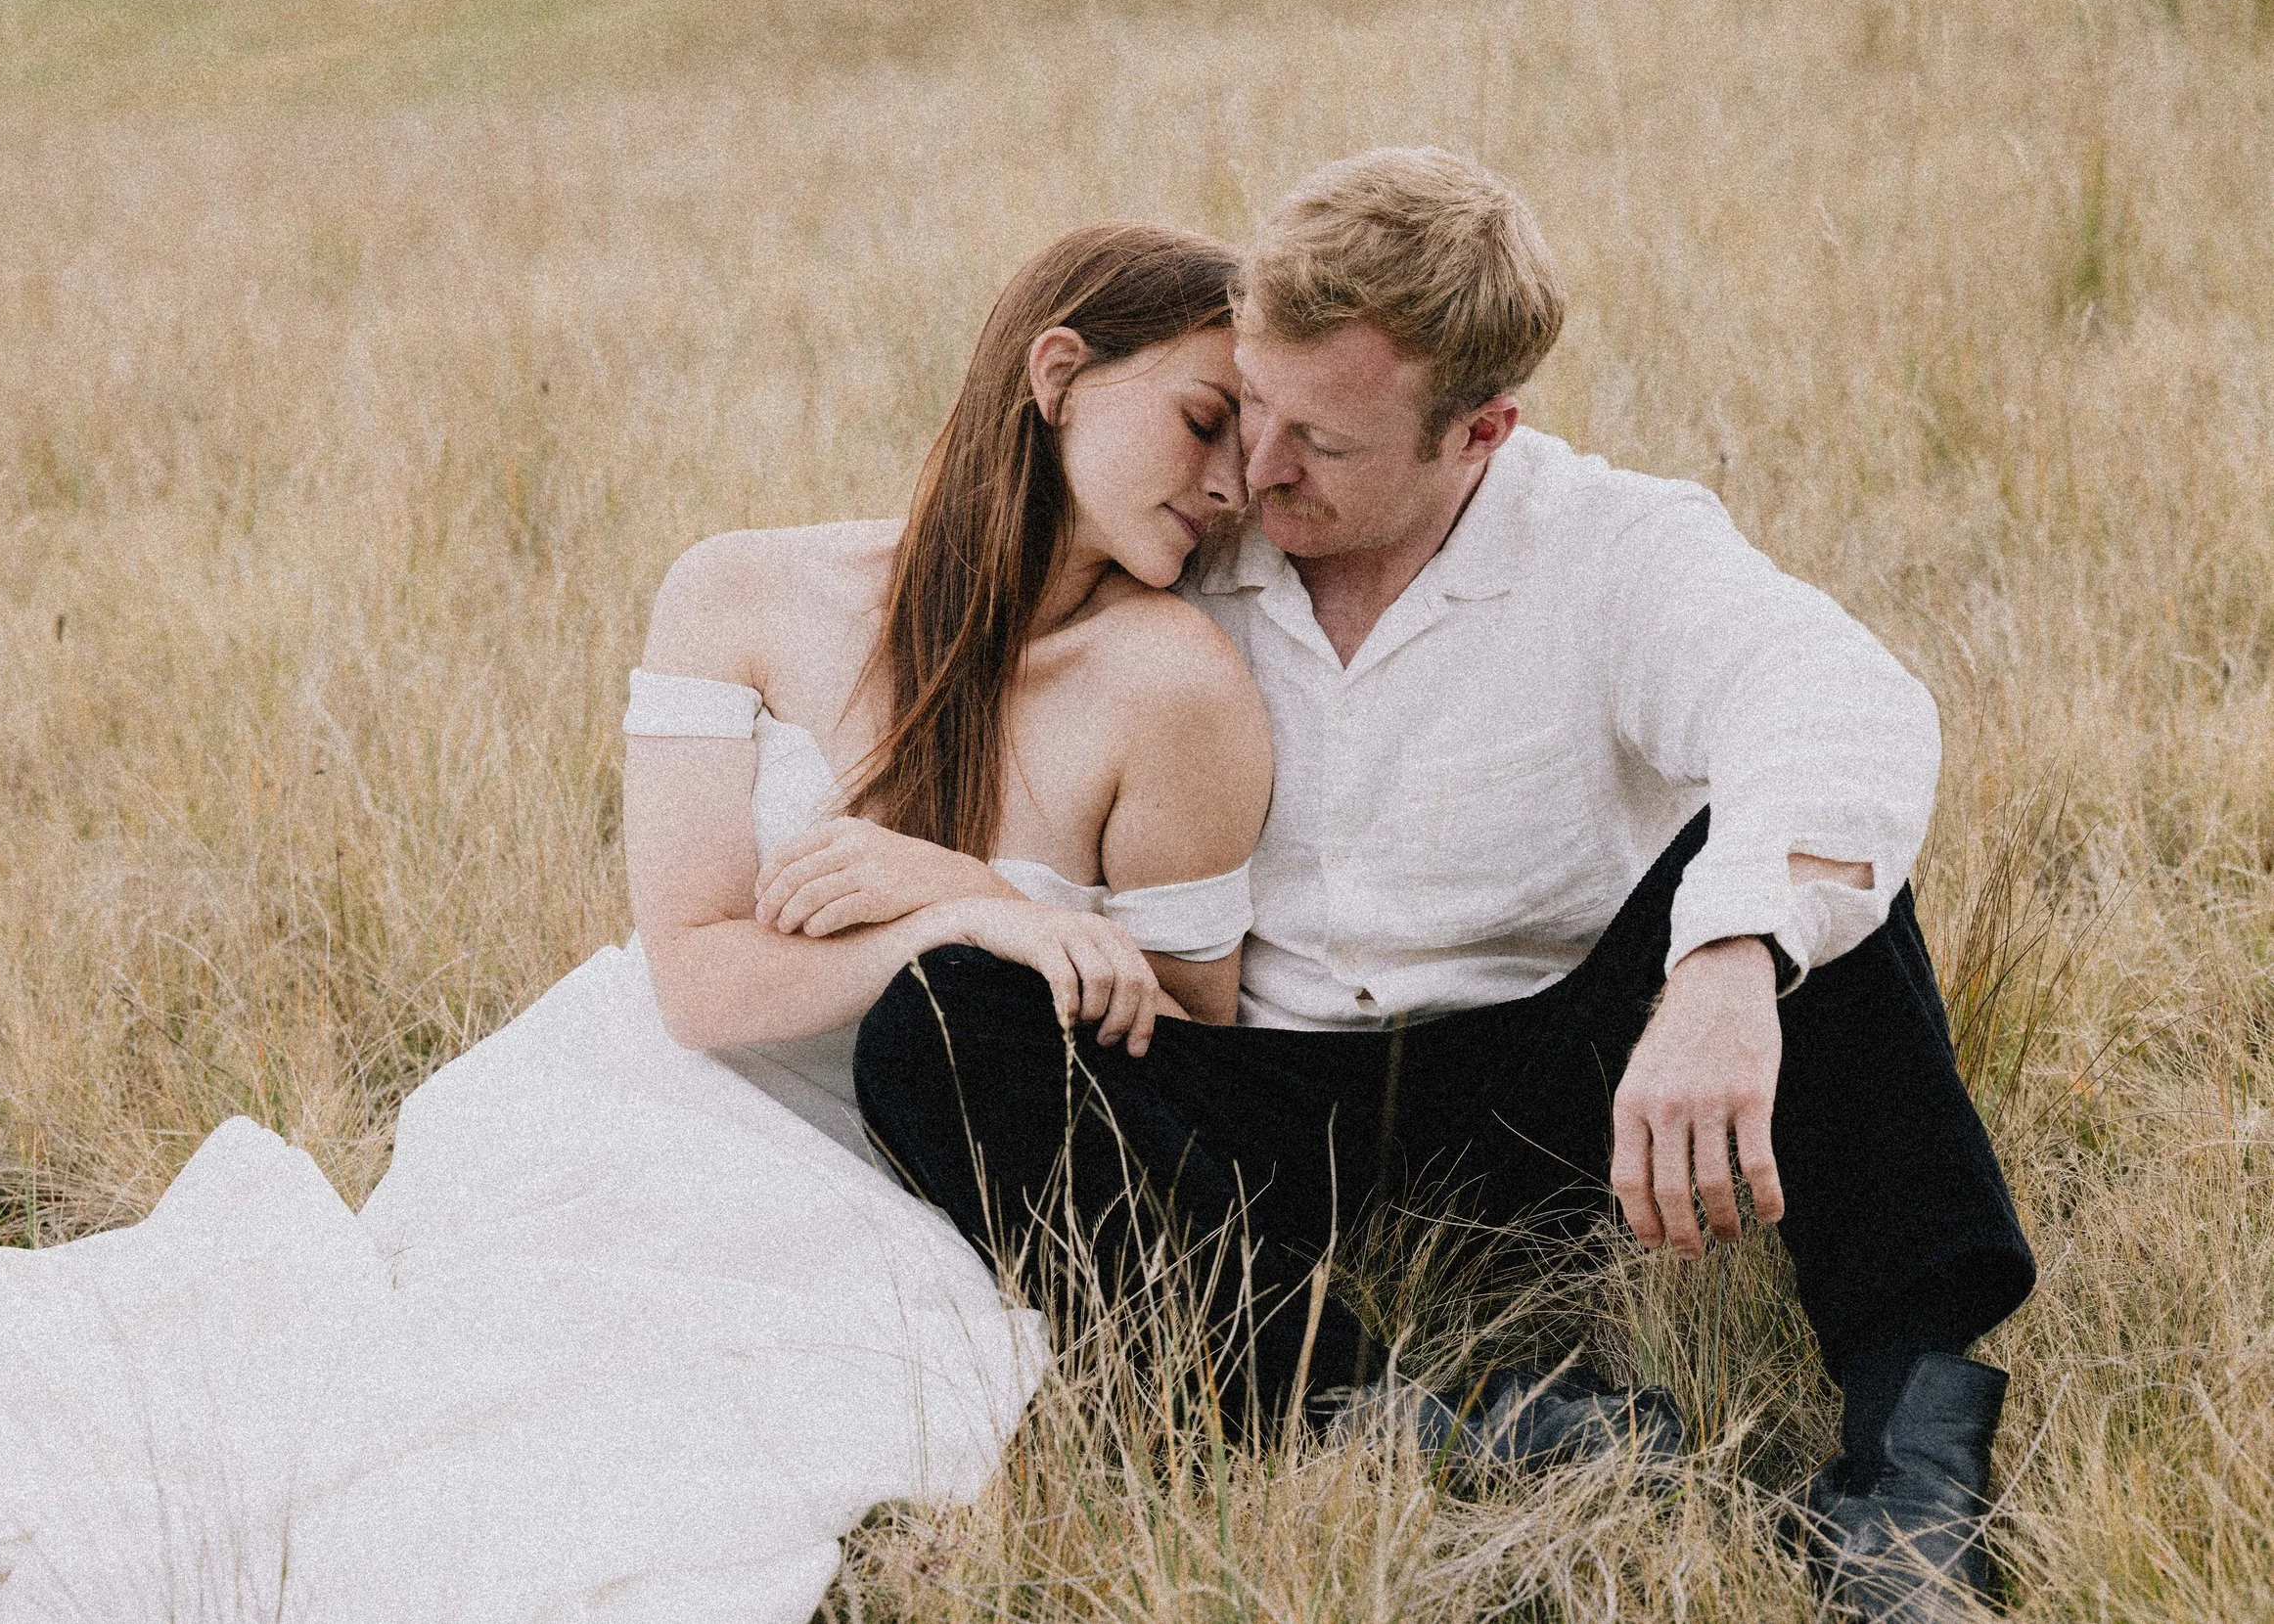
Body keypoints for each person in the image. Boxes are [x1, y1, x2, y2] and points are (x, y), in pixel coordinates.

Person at [0, 222, 1275, 1624]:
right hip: (641, 1098)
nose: (1229, 484)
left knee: (616, 1469)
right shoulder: (741, 591)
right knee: (373, 1406)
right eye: (1205, 420)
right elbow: (698, 977)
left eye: (1253, 452)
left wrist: (961, 897)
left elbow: (1192, 1041)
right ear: (1058, 373)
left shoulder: (1174, 687)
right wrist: (945, 914)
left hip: (898, 1186)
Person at [855, 151, 2038, 1624]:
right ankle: (1361, 1407)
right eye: (1252, 407)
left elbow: (1839, 697)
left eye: (1323, 444)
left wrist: (1731, 958)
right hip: (1263, 1101)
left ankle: (1908, 1461)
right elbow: (935, 586)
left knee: (1809, 874)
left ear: (1481, 431)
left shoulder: (1610, 545)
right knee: (945, 1023)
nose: (1258, 468)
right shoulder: (1187, 532)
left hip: (1562, 1089)